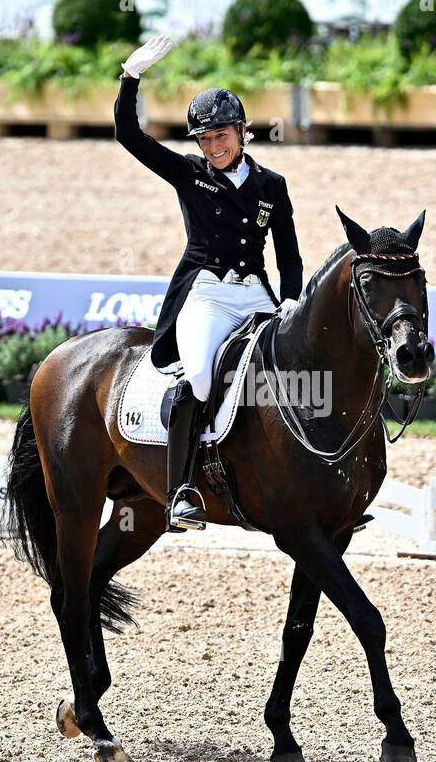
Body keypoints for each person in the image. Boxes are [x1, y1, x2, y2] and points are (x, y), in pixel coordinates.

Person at [114, 34, 304, 532]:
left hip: (255, 295)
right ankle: (181, 491)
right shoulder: (189, 175)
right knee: (199, 375)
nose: (214, 147)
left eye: (222, 136)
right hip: (207, 295)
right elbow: (128, 135)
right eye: (205, 139)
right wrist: (129, 78)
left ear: (242, 133)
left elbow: (289, 255)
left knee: (296, 369)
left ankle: (313, 477)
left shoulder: (272, 186)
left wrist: (290, 300)